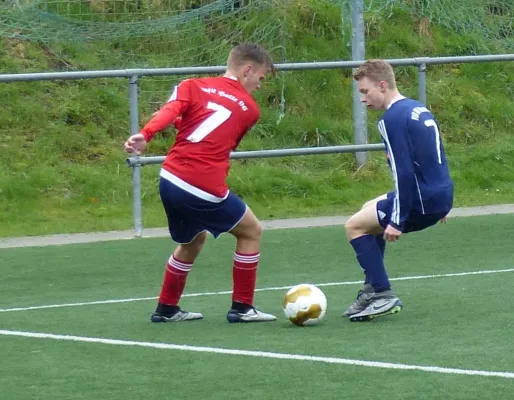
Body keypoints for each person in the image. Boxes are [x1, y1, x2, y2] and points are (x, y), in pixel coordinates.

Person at [123, 43, 277, 323]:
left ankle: (167, 309)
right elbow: (222, 139)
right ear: (247, 70)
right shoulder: (250, 110)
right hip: (201, 182)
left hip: (170, 178)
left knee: (193, 240)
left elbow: (172, 112)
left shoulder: (192, 85)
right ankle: (242, 308)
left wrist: (146, 134)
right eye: (261, 78)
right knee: (251, 231)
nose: (259, 84)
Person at [343, 59, 454, 322]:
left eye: (365, 91)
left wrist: (397, 221)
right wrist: (443, 202)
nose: (363, 99)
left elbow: (403, 173)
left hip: (421, 198)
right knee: (366, 210)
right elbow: (437, 157)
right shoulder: (417, 108)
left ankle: (382, 293)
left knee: (353, 226)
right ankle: (372, 288)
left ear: (382, 85)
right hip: (437, 194)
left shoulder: (391, 119)